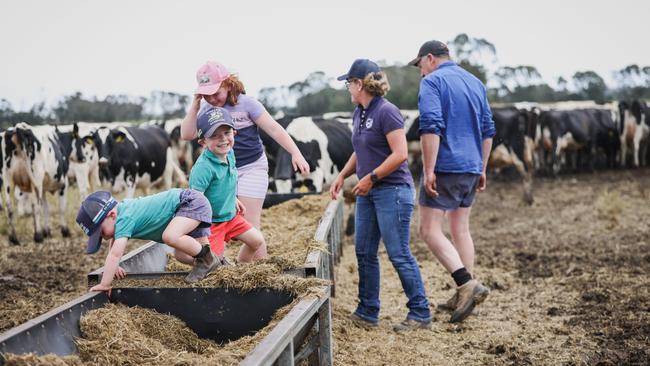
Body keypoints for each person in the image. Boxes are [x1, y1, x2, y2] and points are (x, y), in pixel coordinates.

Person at [329, 59, 432, 332]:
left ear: (359, 84)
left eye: (349, 83)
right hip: (368, 190)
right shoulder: (358, 113)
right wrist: (342, 175)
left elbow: (400, 154)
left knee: (398, 253)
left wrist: (371, 178)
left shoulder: (388, 112)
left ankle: (420, 313)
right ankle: (367, 311)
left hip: (392, 190)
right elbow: (360, 149)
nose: (347, 88)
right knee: (363, 251)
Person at [409, 40, 496, 323]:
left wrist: (429, 169)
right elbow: (488, 129)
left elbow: (430, 126)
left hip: (446, 165)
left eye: (420, 64)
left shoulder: (432, 82)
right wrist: (482, 167)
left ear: (430, 58)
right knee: (460, 229)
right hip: (471, 166)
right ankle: (464, 293)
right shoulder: (475, 83)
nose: (420, 71)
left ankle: (465, 284)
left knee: (428, 229)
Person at [181, 61, 310, 229]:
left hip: (251, 167)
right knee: (218, 223)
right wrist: (195, 106)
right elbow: (187, 134)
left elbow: (274, 129)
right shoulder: (206, 109)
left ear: (227, 84)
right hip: (220, 172)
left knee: (248, 225)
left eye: (215, 92)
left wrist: (295, 153)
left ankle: (254, 254)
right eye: (206, 94)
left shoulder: (247, 104)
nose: (211, 98)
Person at [77, 188, 222, 291]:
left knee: (170, 236)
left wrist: (105, 284)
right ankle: (217, 265)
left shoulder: (124, 217)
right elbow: (114, 244)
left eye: (101, 232)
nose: (104, 237)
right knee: (181, 255)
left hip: (188, 203)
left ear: (112, 215)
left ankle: (207, 259)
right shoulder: (122, 213)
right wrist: (114, 266)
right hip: (185, 209)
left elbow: (115, 254)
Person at [184, 106, 267, 263]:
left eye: (226, 133)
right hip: (212, 223)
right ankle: (196, 258)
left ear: (234, 133)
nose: (223, 139)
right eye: (214, 136)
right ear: (203, 142)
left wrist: (232, 199)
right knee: (213, 261)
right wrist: (200, 233)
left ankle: (241, 267)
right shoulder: (203, 168)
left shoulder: (230, 153)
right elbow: (195, 201)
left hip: (230, 216)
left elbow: (226, 180)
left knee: (257, 241)